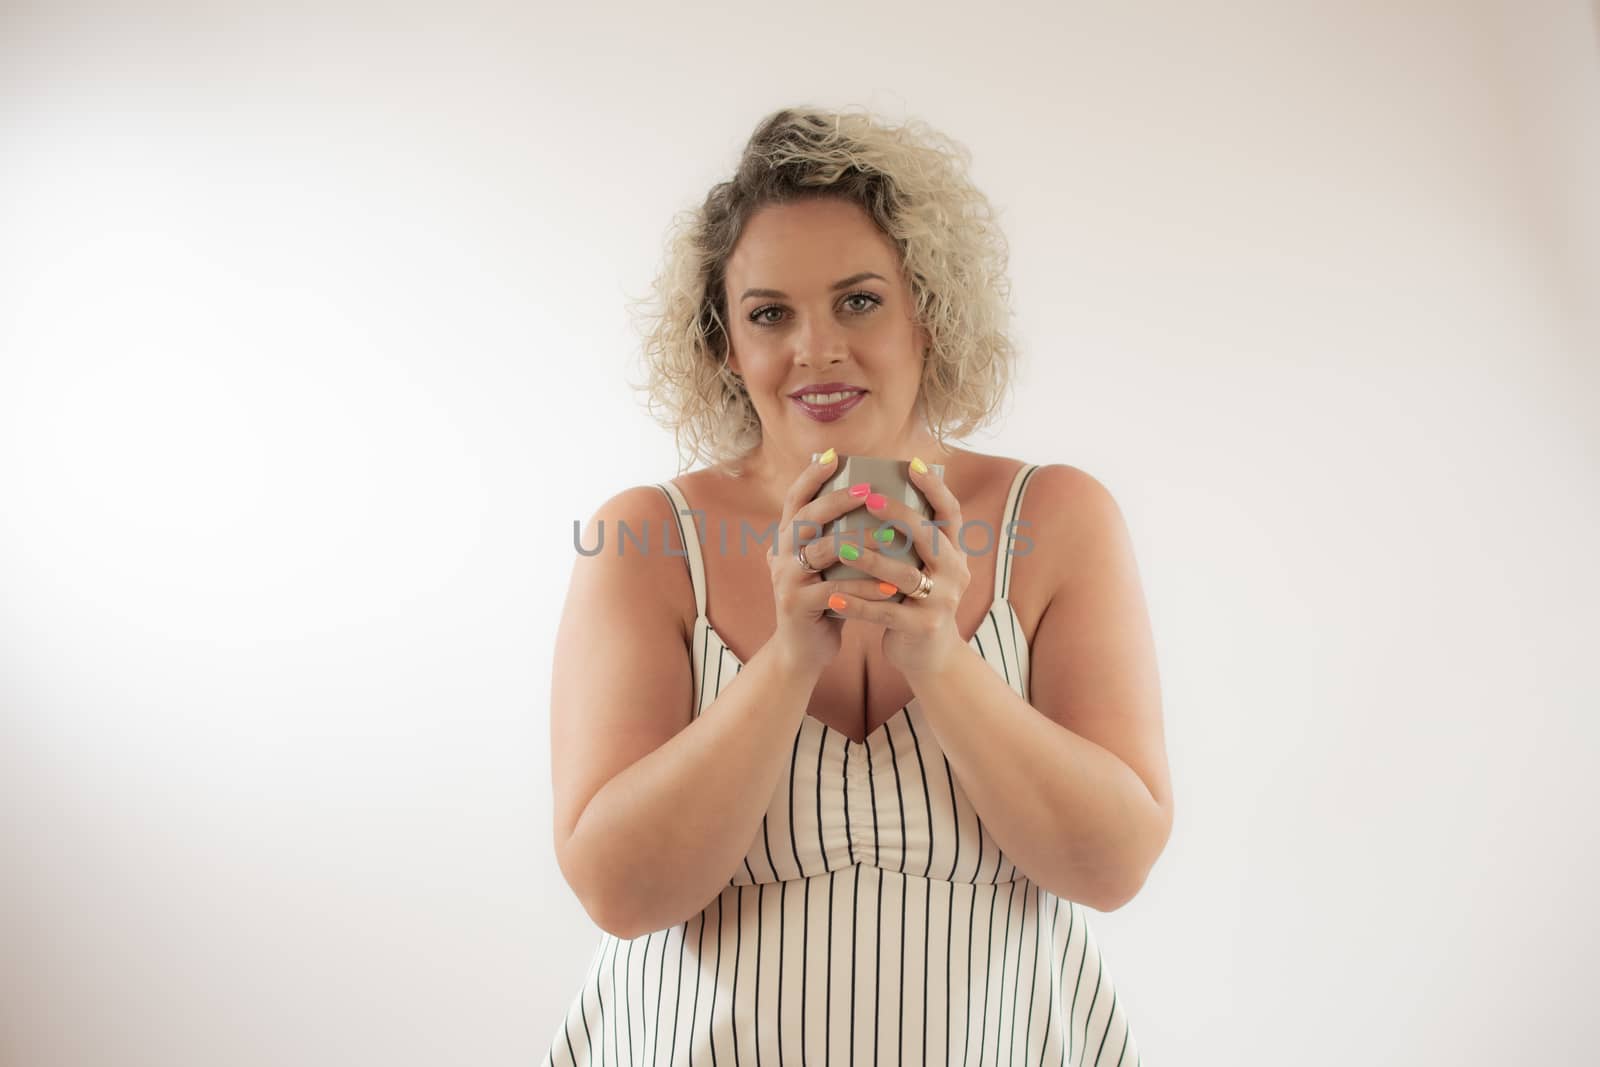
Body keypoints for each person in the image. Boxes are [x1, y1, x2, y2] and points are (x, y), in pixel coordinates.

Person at [541, 105, 1172, 1067]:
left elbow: (1112, 863)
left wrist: (938, 653)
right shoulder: (645, 537)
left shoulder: (1060, 518)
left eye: (860, 299)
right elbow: (619, 893)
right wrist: (790, 657)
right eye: (769, 314)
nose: (817, 347)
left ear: (928, 307)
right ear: (725, 345)